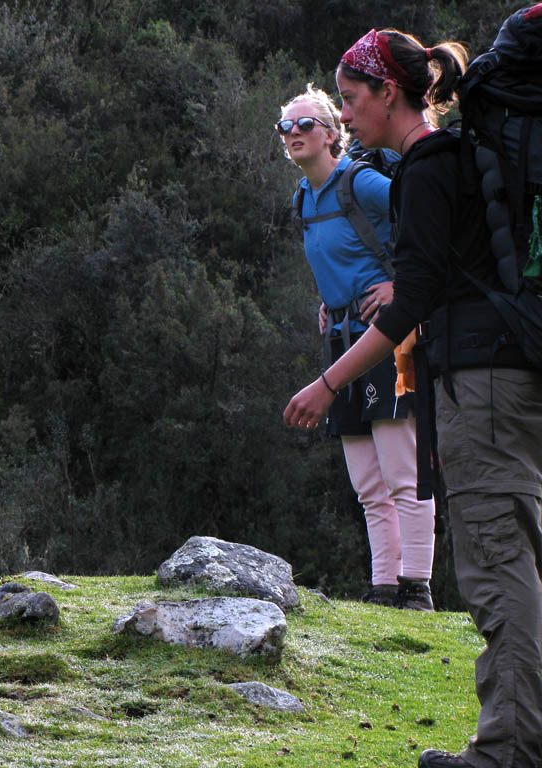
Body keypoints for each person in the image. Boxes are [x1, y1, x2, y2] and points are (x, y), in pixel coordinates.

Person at [283, 27, 542, 768]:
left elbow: (408, 304)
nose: (345, 113)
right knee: (519, 557)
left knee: (497, 567)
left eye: (351, 98)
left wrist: (328, 381)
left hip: (483, 386)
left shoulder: (427, 168)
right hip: (513, 369)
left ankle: (510, 751)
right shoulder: (458, 159)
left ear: (387, 93)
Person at [278, 84, 435, 610]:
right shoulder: (303, 197)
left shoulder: (362, 182)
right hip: (340, 338)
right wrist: (331, 300)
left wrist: (399, 286)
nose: (294, 134)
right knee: (368, 480)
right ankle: (384, 588)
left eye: (305, 124)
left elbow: (423, 224)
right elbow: (333, 257)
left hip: (392, 338)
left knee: (401, 468)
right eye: (286, 127)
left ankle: (417, 587)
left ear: (331, 134)